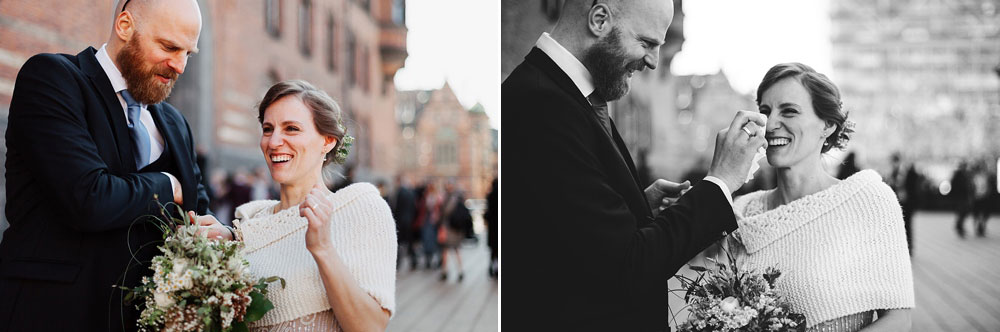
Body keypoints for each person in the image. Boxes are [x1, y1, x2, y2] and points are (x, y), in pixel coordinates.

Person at [503, 0, 767, 329]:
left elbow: (574, 233)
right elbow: (628, 266)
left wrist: (635, 205)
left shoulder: (570, 94)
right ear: (599, 19)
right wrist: (721, 180)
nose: (654, 62)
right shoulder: (542, 105)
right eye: (646, 42)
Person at [0, 1, 222, 330]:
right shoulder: (53, 80)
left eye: (188, 53)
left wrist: (221, 232)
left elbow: (196, 211)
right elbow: (89, 198)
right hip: (51, 313)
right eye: (169, 47)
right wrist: (168, 185)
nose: (180, 66)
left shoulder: (176, 124)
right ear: (125, 26)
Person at [724, 63, 913, 331]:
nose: (771, 123)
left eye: (789, 111)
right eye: (765, 112)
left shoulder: (868, 200)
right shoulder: (742, 212)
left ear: (828, 126)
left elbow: (898, 321)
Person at [220, 80, 396, 331]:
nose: (273, 142)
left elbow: (371, 327)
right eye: (268, 129)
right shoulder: (249, 222)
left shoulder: (361, 208)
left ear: (328, 141)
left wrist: (322, 248)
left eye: (291, 129)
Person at [392, 175, 419, 270]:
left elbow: (397, 209)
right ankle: (414, 261)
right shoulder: (410, 192)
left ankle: (397, 263)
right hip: (409, 221)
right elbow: (414, 208)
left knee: (399, 243)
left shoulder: (400, 192)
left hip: (402, 222)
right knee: (409, 243)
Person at [952, 161, 974, 238]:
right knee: (962, 211)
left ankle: (959, 226)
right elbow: (954, 185)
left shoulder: (967, 174)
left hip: (965, 196)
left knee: (965, 212)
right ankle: (959, 227)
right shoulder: (958, 174)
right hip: (960, 197)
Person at [484, 177, 498, 278]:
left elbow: (487, 213)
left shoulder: (490, 195)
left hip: (493, 227)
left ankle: (492, 267)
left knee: (493, 249)